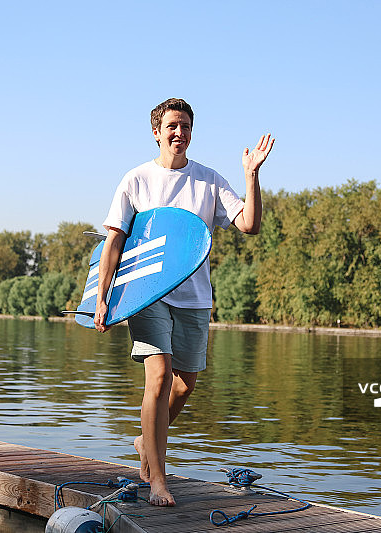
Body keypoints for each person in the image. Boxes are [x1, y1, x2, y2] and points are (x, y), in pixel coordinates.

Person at [93, 98, 274, 506]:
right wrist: (103, 299)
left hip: (194, 298)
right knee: (158, 377)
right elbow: (114, 241)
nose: (180, 133)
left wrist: (251, 176)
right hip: (147, 294)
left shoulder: (208, 180)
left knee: (185, 383)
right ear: (156, 131)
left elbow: (250, 224)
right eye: (173, 125)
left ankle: (146, 441)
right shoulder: (136, 179)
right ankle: (158, 478)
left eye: (187, 126)